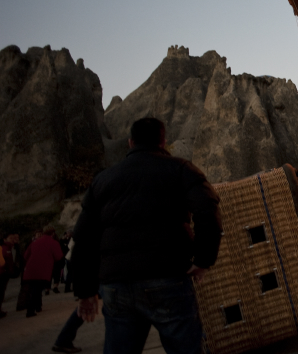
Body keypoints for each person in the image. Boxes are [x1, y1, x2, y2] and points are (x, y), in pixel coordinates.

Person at [71, 117, 222, 354]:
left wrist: (85, 291)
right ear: (163, 142)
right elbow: (207, 209)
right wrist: (203, 260)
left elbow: (84, 238)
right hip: (167, 277)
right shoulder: (181, 169)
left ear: (130, 142)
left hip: (116, 285)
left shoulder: (102, 180)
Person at [22, 225, 64, 317]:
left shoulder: (34, 242)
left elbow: (26, 255)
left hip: (31, 269)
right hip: (43, 270)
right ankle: (32, 310)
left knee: (33, 289)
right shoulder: (53, 243)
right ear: (53, 233)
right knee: (37, 290)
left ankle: (35, 307)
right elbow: (58, 256)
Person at [0, 233, 21, 318]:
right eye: (10, 238)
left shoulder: (12, 248)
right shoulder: (5, 248)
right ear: (5, 239)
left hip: (5, 273)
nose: (12, 239)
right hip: (3, 273)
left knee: (2, 291)